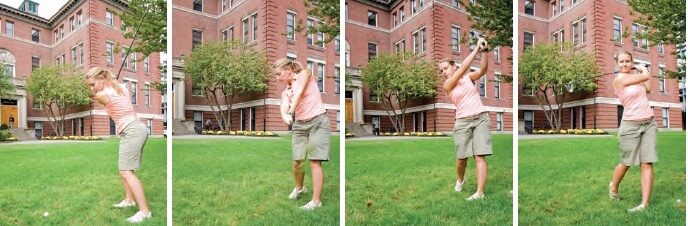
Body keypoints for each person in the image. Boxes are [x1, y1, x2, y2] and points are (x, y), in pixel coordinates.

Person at [84, 67, 151, 222]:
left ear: (101, 78)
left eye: (93, 84)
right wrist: (110, 81)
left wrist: (105, 85)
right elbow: (113, 87)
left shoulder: (102, 94)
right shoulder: (121, 87)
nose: (91, 88)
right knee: (124, 170)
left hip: (132, 130)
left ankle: (145, 212)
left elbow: (98, 96)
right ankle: (129, 200)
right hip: (136, 128)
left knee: (126, 171)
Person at [273, 58, 330, 210]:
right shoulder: (285, 92)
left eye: (279, 74)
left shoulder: (304, 74)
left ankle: (316, 202)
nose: (277, 78)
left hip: (318, 122)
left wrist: (291, 112)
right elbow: (283, 106)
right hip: (300, 125)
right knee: (297, 161)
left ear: (288, 70)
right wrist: (285, 115)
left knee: (314, 161)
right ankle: (299, 188)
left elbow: (299, 93)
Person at [438, 38, 490, 201]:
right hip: (462, 122)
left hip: (480, 118)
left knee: (479, 156)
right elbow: (463, 69)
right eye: (441, 71)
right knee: (461, 159)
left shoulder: (467, 78)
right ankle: (460, 179)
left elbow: (482, 70)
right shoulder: (448, 85)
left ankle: (479, 193)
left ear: (453, 66)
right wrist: (476, 49)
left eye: (445, 68)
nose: (443, 72)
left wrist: (485, 52)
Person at [608, 51, 656, 212]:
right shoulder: (618, 81)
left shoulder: (636, 79)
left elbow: (648, 88)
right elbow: (644, 77)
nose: (624, 64)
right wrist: (642, 70)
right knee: (627, 162)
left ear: (631, 62)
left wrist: (641, 71)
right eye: (621, 62)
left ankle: (644, 204)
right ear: (617, 64)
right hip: (630, 125)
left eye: (628, 61)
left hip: (648, 122)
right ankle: (613, 187)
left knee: (646, 163)